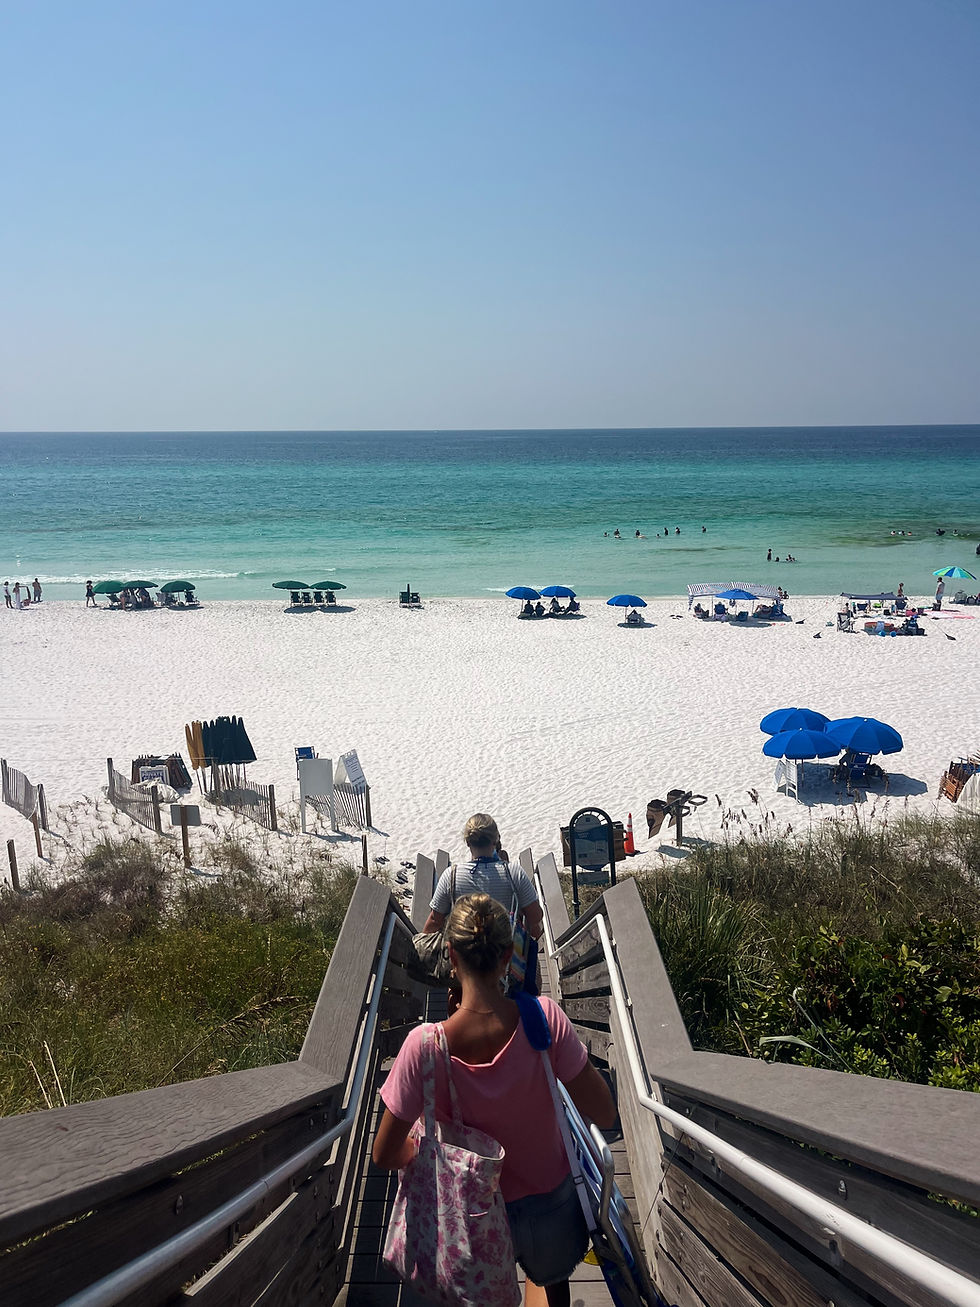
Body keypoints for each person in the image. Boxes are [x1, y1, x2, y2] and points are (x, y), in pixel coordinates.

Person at [374, 894, 615, 1307]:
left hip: (466, 1215)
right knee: (550, 1281)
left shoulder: (425, 1046)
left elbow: (385, 1153)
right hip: (547, 1200)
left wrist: (419, 1145)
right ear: (508, 956)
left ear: (451, 955)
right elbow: (604, 1111)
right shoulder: (544, 1018)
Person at [422, 814, 543, 947]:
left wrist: (422, 948)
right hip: (505, 956)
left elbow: (435, 920)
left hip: (464, 957)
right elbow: (535, 916)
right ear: (496, 839)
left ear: (468, 842)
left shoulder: (451, 876)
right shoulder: (514, 872)